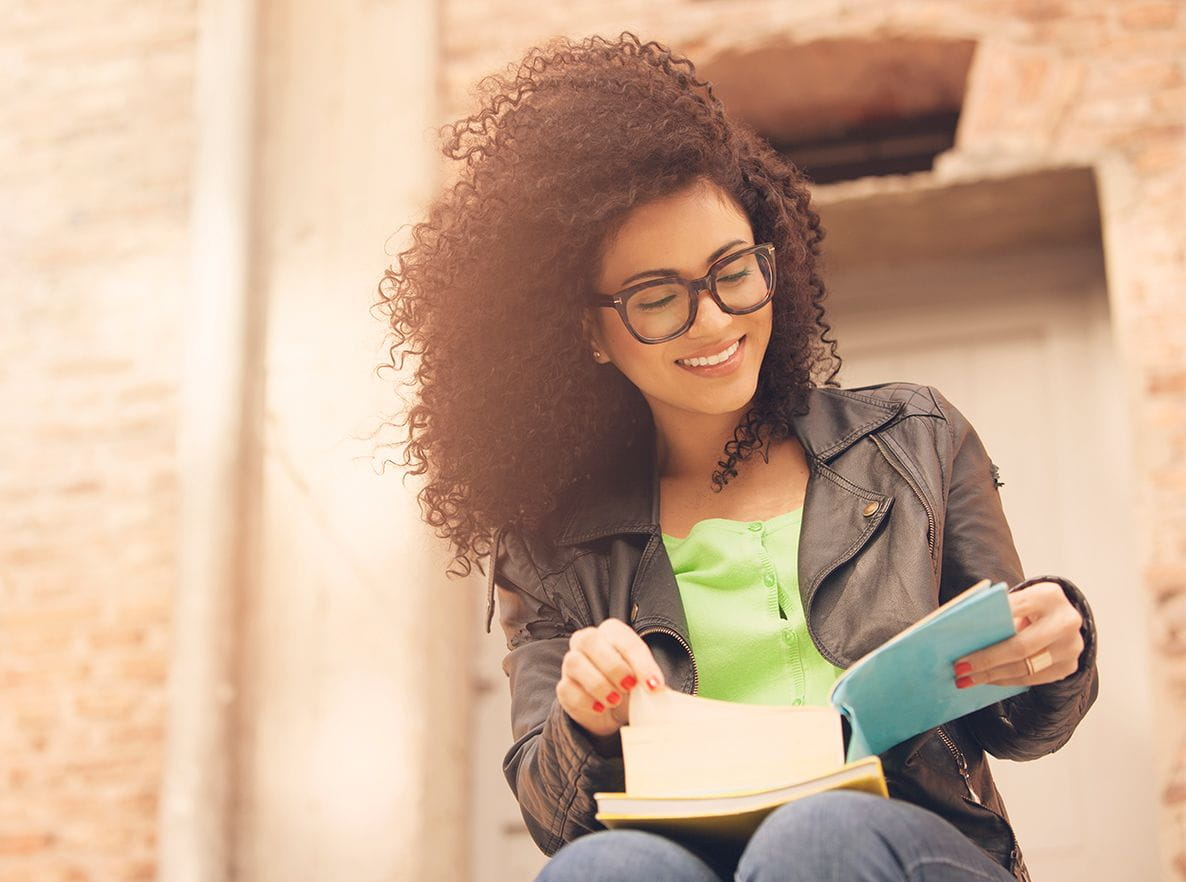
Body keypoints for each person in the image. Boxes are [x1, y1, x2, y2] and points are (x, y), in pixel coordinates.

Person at [375, 31, 1098, 882]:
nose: (715, 321)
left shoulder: (916, 439)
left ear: (771, 259)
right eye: (656, 297)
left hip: (907, 847)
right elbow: (555, 818)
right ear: (589, 334)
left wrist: (1057, 653)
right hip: (690, 861)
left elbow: (1018, 724)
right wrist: (584, 722)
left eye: (732, 271)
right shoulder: (552, 547)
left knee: (817, 840)